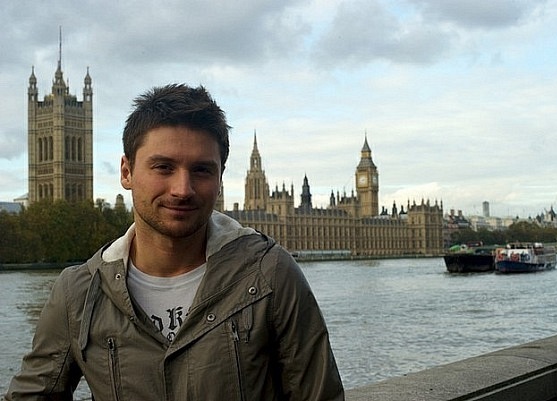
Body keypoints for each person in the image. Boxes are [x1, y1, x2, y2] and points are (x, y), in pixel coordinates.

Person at [5, 83, 344, 400]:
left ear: (220, 180)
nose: (182, 189)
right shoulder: (78, 293)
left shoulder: (271, 275)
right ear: (126, 172)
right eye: (163, 167)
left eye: (201, 170)